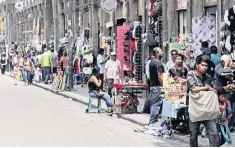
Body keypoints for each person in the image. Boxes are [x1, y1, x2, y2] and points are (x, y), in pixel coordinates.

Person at [187, 56, 219, 147]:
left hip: (207, 110)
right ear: (197, 65)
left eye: (206, 66)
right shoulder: (191, 74)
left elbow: (209, 91)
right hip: (195, 110)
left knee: (213, 133)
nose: (205, 67)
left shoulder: (208, 77)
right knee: (193, 135)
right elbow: (193, 89)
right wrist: (207, 88)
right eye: (203, 65)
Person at [148, 47, 165, 126]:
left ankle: (153, 119)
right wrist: (164, 85)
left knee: (154, 102)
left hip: (153, 85)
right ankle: (153, 120)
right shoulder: (158, 63)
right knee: (156, 103)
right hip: (157, 86)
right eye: (161, 51)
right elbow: (160, 75)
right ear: (157, 53)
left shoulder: (152, 62)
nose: (162, 52)